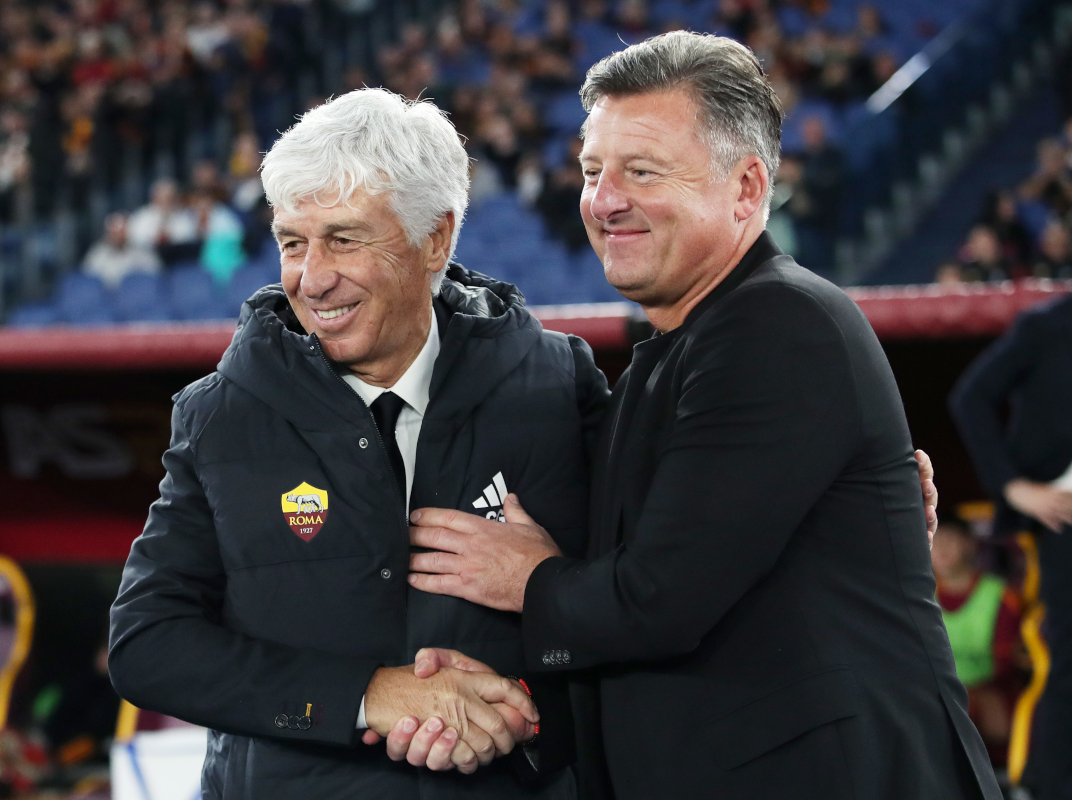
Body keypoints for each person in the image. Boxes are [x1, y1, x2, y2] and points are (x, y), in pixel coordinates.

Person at [405, 31, 998, 800]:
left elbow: (661, 601)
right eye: (592, 171)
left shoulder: (778, 328)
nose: (603, 199)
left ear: (747, 189)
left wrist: (532, 578)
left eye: (641, 171)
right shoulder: (678, 351)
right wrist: (517, 702)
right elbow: (710, 617)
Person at [107, 88, 609, 798]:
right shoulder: (222, 415)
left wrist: (526, 707)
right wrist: (368, 696)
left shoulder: (559, 389)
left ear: (435, 237)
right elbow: (147, 647)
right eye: (292, 243)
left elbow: (640, 614)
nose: (312, 279)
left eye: (343, 239)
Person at [950, 293, 1072, 799]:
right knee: (1067, 654)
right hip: (1063, 519)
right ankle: (1044, 784)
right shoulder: (1047, 326)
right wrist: (1012, 485)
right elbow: (970, 397)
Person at [930, 517, 1025, 764]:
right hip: (936, 699)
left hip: (991, 698)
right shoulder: (919, 596)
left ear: (970, 544)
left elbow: (1008, 666)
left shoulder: (1001, 596)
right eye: (933, 540)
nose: (941, 548)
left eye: (949, 539)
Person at [81, 213, 161, 290]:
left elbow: (155, 277)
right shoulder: (97, 254)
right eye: (114, 232)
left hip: (135, 298)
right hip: (106, 299)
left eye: (121, 231)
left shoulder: (143, 253)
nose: (118, 236)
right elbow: (88, 281)